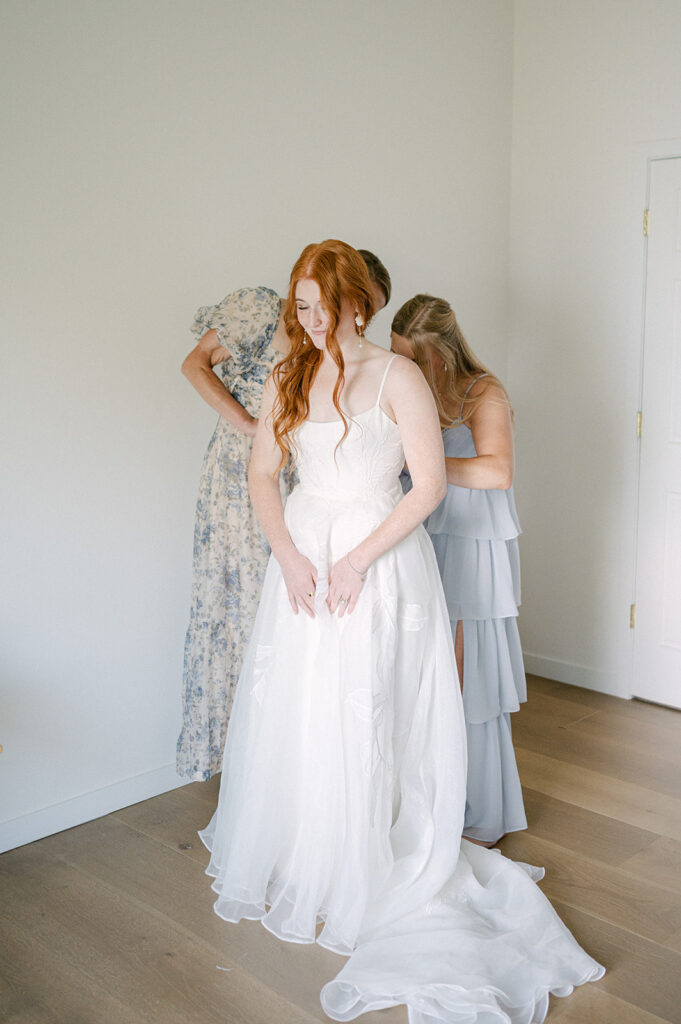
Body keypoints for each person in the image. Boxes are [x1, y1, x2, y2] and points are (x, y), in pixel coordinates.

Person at [199, 240, 603, 1022]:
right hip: (301, 560)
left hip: (378, 562)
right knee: (304, 700)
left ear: (357, 302)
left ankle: (374, 847)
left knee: (370, 702)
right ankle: (309, 845)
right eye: (300, 305)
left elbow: (423, 487)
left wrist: (353, 561)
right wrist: (286, 555)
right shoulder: (291, 373)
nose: (307, 319)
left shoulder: (399, 375)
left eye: (318, 303)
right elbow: (261, 474)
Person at [176, 252, 391, 781]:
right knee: (241, 607)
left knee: (292, 617)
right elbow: (193, 364)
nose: (348, 323)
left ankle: (296, 759)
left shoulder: (339, 355)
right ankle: (240, 759)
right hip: (239, 482)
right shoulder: (260, 311)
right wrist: (250, 424)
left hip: (302, 481)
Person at [391, 295, 526, 847]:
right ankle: (426, 798)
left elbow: (497, 471)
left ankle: (476, 808)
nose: (404, 368)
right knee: (420, 673)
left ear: (441, 355)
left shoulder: (482, 392)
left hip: (470, 545)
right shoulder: (409, 389)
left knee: (465, 678)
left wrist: (423, 461)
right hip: (422, 539)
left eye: (413, 358)